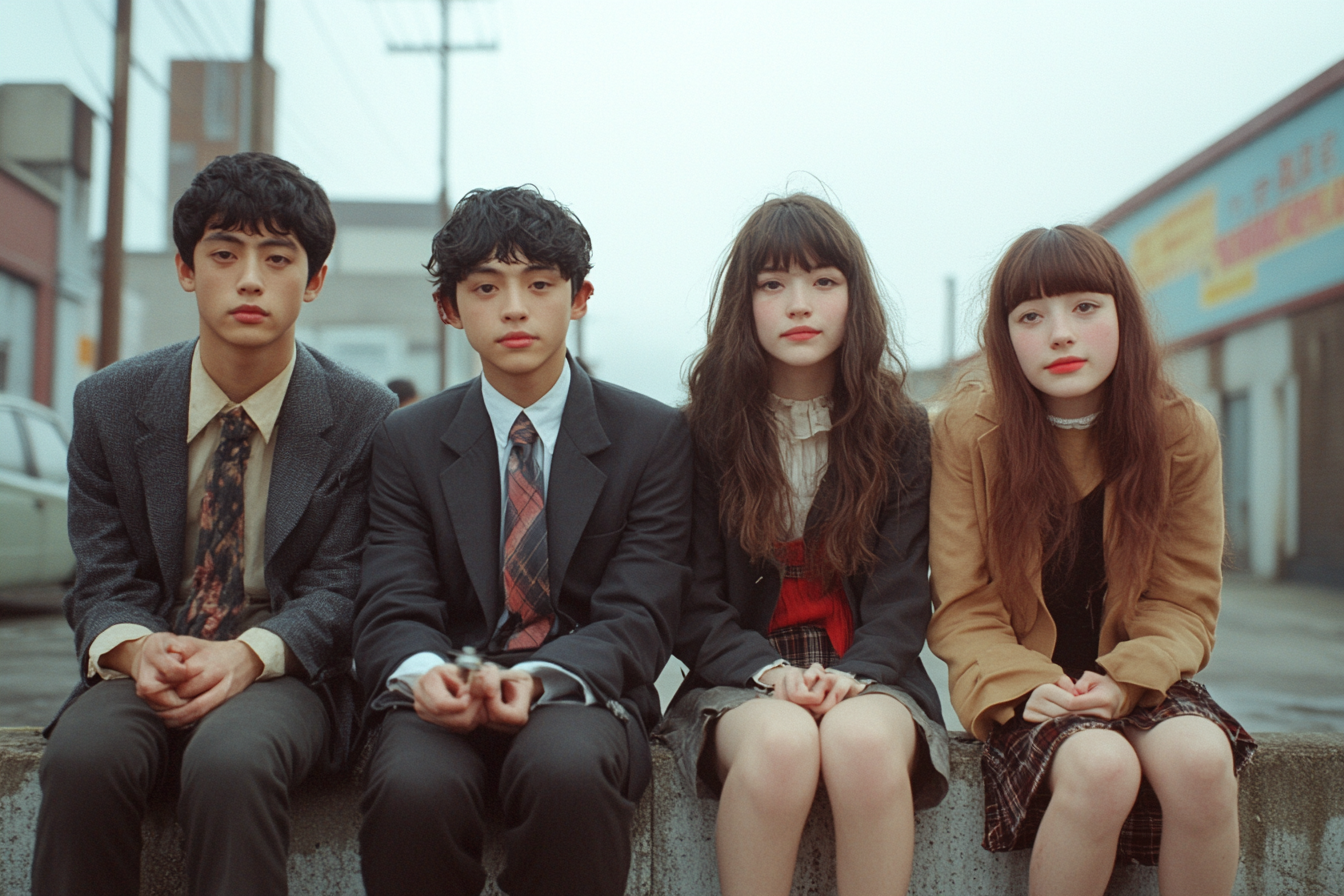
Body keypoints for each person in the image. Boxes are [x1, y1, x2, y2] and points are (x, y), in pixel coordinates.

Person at [31, 152, 397, 896]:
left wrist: (248, 657)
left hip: (287, 666)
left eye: (278, 257)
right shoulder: (109, 404)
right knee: (81, 757)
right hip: (155, 650)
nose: (251, 279)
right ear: (186, 270)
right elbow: (102, 575)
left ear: (315, 279)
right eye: (224, 254)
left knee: (231, 758)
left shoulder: (365, 414)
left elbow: (345, 587)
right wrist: (136, 650)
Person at [354, 185, 693, 896]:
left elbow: (641, 613)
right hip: (445, 686)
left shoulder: (651, 437)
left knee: (565, 770)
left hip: (580, 694)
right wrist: (425, 673)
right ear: (450, 308)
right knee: (413, 788)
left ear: (578, 297)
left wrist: (536, 678)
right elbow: (392, 597)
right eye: (486, 287)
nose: (515, 307)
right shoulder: (406, 441)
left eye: (540, 284)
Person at [927, 224, 1256, 896]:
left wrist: (1123, 680)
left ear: (1123, 316)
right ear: (1004, 334)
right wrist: (1021, 684)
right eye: (1031, 315)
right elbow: (963, 605)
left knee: (1201, 761)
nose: (1060, 334)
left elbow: (1185, 599)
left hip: (1139, 674)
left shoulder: (1179, 429)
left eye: (1085, 307)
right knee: (1101, 768)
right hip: (1023, 685)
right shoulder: (967, 431)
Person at [658, 193, 949, 896]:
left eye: (823, 281)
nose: (799, 304)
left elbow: (906, 589)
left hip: (869, 671)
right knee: (783, 744)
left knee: (864, 744)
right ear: (744, 301)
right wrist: (767, 674)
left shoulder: (900, 429)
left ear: (855, 298)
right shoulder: (700, 431)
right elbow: (688, 594)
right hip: (739, 674)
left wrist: (857, 673)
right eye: (773, 283)